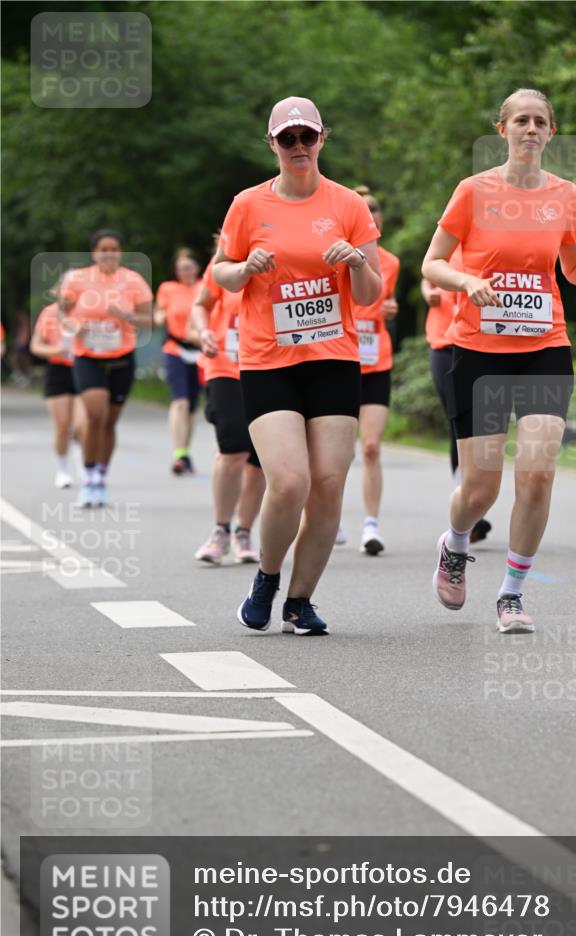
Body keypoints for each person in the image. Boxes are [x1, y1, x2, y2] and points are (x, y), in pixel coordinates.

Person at [422, 88, 576, 633]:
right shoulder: (473, 191)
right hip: (477, 350)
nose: (531, 129)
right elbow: (433, 263)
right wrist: (467, 280)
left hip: (545, 346)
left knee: (537, 476)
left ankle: (512, 594)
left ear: (551, 133)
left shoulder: (564, 195)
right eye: (521, 120)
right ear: (503, 129)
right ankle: (456, 542)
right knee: (480, 489)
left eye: (540, 121)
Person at [212, 96, 382, 635]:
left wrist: (356, 261)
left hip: (332, 358)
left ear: (322, 139)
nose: (299, 147)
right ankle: (266, 576)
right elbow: (220, 273)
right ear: (273, 145)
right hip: (269, 360)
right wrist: (243, 267)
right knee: (289, 482)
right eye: (288, 139)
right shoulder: (247, 204)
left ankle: (299, 601)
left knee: (329, 484)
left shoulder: (348, 205)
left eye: (307, 136)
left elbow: (371, 292)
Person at [60, 229, 153, 507]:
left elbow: (149, 320)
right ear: (94, 253)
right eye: (103, 248)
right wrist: (74, 327)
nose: (109, 253)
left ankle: (101, 476)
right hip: (88, 355)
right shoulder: (78, 279)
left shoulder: (133, 280)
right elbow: (62, 312)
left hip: (121, 356)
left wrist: (125, 315)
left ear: (120, 252)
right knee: (95, 413)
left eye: (114, 248)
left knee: (110, 421)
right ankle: (87, 477)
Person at [190, 253, 265, 564]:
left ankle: (244, 532)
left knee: (260, 458)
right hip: (226, 367)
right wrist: (204, 331)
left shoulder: (284, 255)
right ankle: (221, 529)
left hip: (270, 367)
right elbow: (201, 305)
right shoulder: (222, 264)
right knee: (232, 447)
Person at [422, 248, 492, 544]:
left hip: (479, 346)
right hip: (444, 346)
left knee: (480, 428)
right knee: (458, 423)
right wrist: (428, 293)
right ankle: (466, 504)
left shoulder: (487, 249)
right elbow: (427, 275)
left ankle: (472, 500)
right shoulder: (445, 247)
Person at [350, 185, 400, 555]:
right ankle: (326, 518)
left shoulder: (392, 262)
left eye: (374, 208)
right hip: (339, 358)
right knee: (332, 454)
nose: (370, 214)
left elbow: (385, 298)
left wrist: (389, 309)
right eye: (362, 208)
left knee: (370, 447)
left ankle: (371, 525)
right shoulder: (333, 254)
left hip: (376, 359)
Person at [155, 249, 203, 475]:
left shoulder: (206, 286)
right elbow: (157, 314)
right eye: (181, 268)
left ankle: (185, 452)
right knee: (180, 402)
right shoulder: (168, 289)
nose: (185, 271)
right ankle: (178, 454)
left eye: (189, 266)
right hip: (175, 348)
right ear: (175, 271)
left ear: (197, 267)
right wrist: (159, 318)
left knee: (192, 407)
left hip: (201, 350)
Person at [30, 300, 87, 487]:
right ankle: (62, 470)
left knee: (82, 425)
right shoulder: (49, 313)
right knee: (63, 426)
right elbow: (35, 346)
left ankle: (83, 464)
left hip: (85, 368)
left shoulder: (88, 310)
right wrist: (55, 350)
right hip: (57, 370)